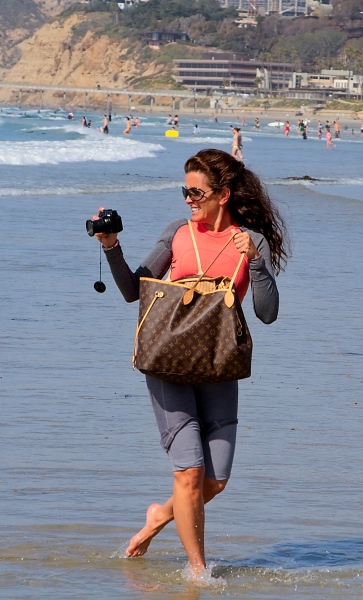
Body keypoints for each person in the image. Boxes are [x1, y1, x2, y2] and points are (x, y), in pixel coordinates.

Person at [91, 148, 289, 580]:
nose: (187, 199)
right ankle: (198, 572)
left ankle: (159, 516)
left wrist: (254, 261)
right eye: (185, 190)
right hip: (167, 362)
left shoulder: (248, 240)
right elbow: (133, 291)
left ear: (223, 194)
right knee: (190, 473)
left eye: (196, 192)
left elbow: (268, 312)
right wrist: (111, 247)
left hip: (219, 366)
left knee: (215, 481)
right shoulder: (177, 234)